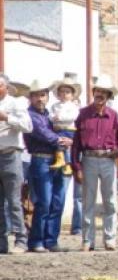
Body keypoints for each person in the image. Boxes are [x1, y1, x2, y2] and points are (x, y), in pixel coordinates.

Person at [71, 74, 118, 252]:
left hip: (108, 160)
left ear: (109, 96)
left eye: (104, 92)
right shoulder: (83, 114)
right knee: (88, 201)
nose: (100, 94)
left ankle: (110, 239)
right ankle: (87, 240)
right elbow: (76, 143)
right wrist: (76, 166)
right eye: (97, 91)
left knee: (110, 201)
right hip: (89, 159)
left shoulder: (114, 116)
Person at [24, 80, 74, 252]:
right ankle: (36, 240)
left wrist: (69, 139)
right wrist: (61, 139)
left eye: (43, 95)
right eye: (36, 95)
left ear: (47, 97)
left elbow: (66, 127)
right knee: (44, 201)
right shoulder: (30, 115)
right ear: (30, 97)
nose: (40, 98)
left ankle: (51, 240)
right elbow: (41, 133)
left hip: (57, 157)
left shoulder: (50, 114)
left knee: (58, 201)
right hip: (41, 159)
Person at [0, 74, 32, 254]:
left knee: (13, 201)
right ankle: (1, 243)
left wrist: (7, 118)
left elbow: (28, 126)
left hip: (11, 154)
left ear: (5, 87)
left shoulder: (16, 103)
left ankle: (21, 240)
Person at [49, 76, 81, 175]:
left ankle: (65, 163)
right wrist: (53, 118)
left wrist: (60, 117)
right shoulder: (55, 106)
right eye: (62, 92)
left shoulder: (72, 106)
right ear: (58, 94)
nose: (64, 94)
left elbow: (73, 116)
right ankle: (64, 163)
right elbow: (50, 114)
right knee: (58, 144)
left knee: (62, 144)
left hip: (68, 129)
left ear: (72, 95)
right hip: (57, 128)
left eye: (67, 92)